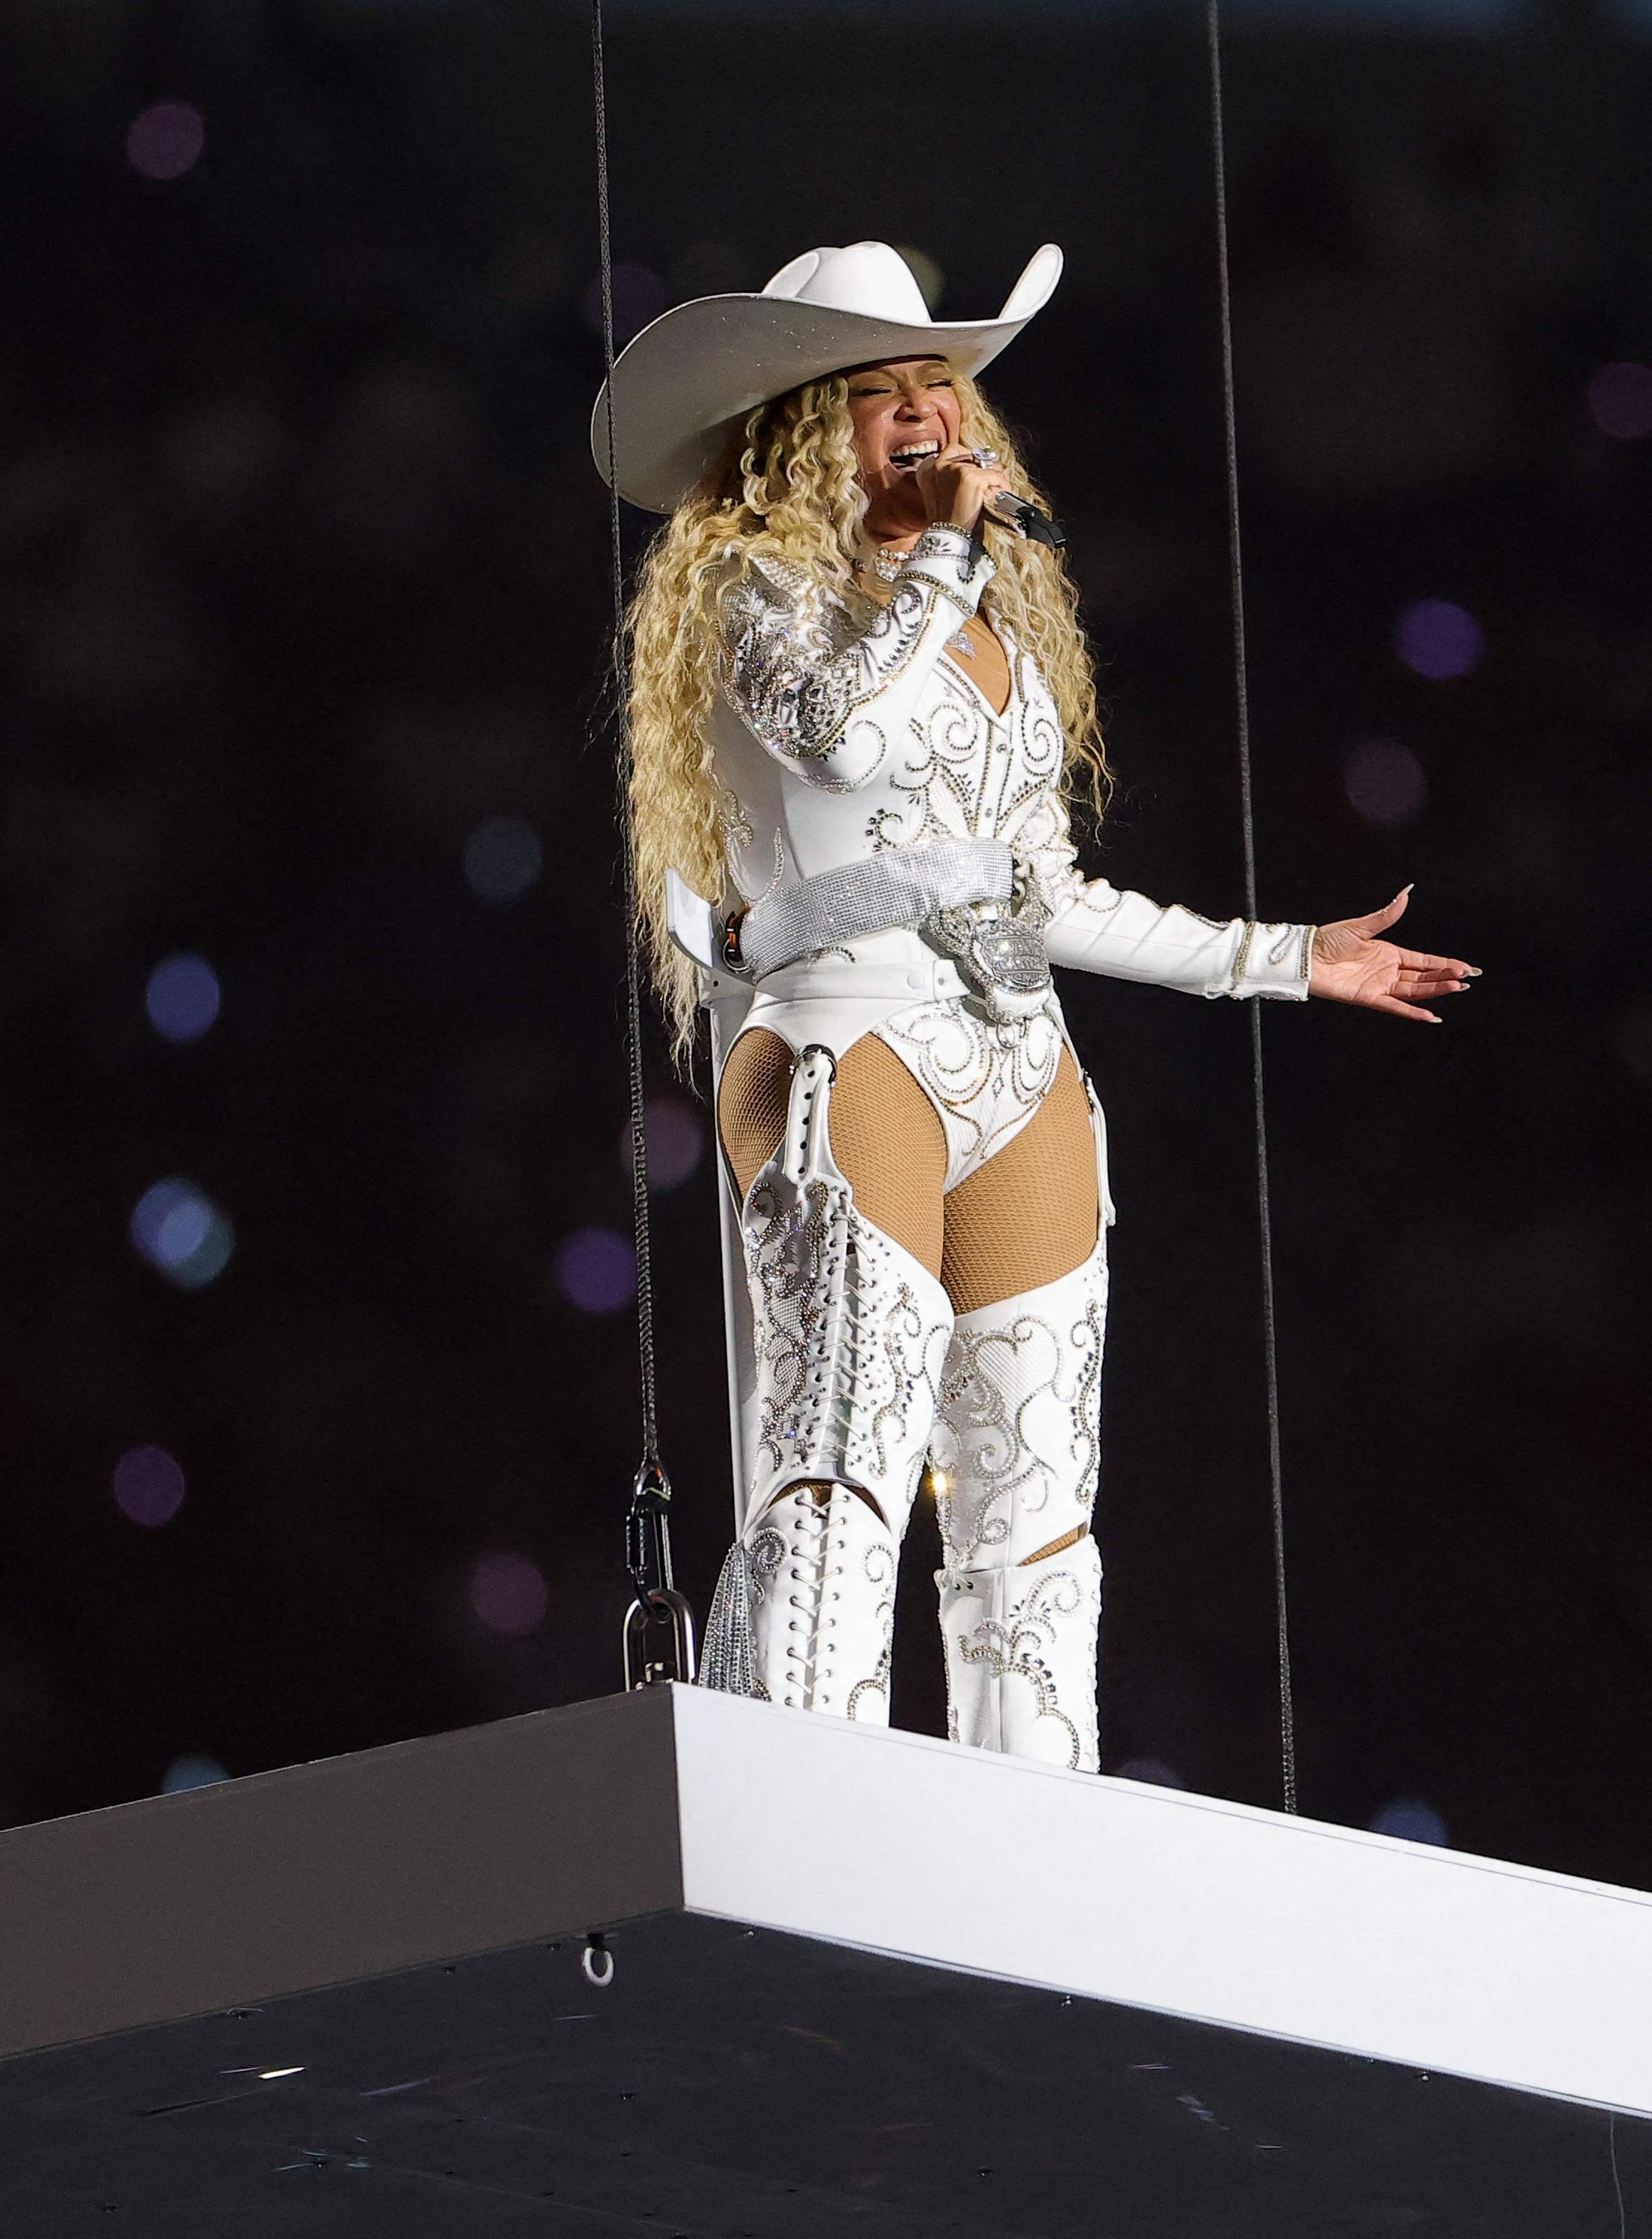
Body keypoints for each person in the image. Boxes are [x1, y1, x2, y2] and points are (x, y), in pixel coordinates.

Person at [597, 240, 1469, 1770]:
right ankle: (811, 1828)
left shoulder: (1001, 631)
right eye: (885, 391)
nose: (931, 410)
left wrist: (1287, 957)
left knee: (1033, 1511)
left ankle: (1026, 1860)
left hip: (1021, 1060)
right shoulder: (754, 587)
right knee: (841, 1472)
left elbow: (1045, 893)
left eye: (943, 380)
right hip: (842, 1039)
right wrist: (935, 557)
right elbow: (839, 747)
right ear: (810, 426)